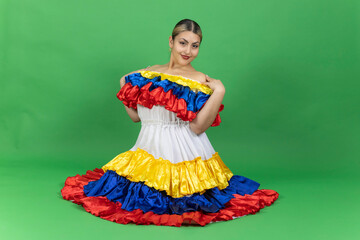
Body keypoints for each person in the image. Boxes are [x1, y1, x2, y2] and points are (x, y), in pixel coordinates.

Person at [61, 18, 279, 227]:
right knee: (122, 194)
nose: (187, 51)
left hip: (184, 152)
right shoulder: (150, 72)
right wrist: (125, 85)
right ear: (171, 42)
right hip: (147, 150)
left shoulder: (198, 79)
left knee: (178, 202)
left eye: (195, 46)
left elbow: (198, 127)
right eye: (183, 43)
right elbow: (136, 116)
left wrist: (220, 91)